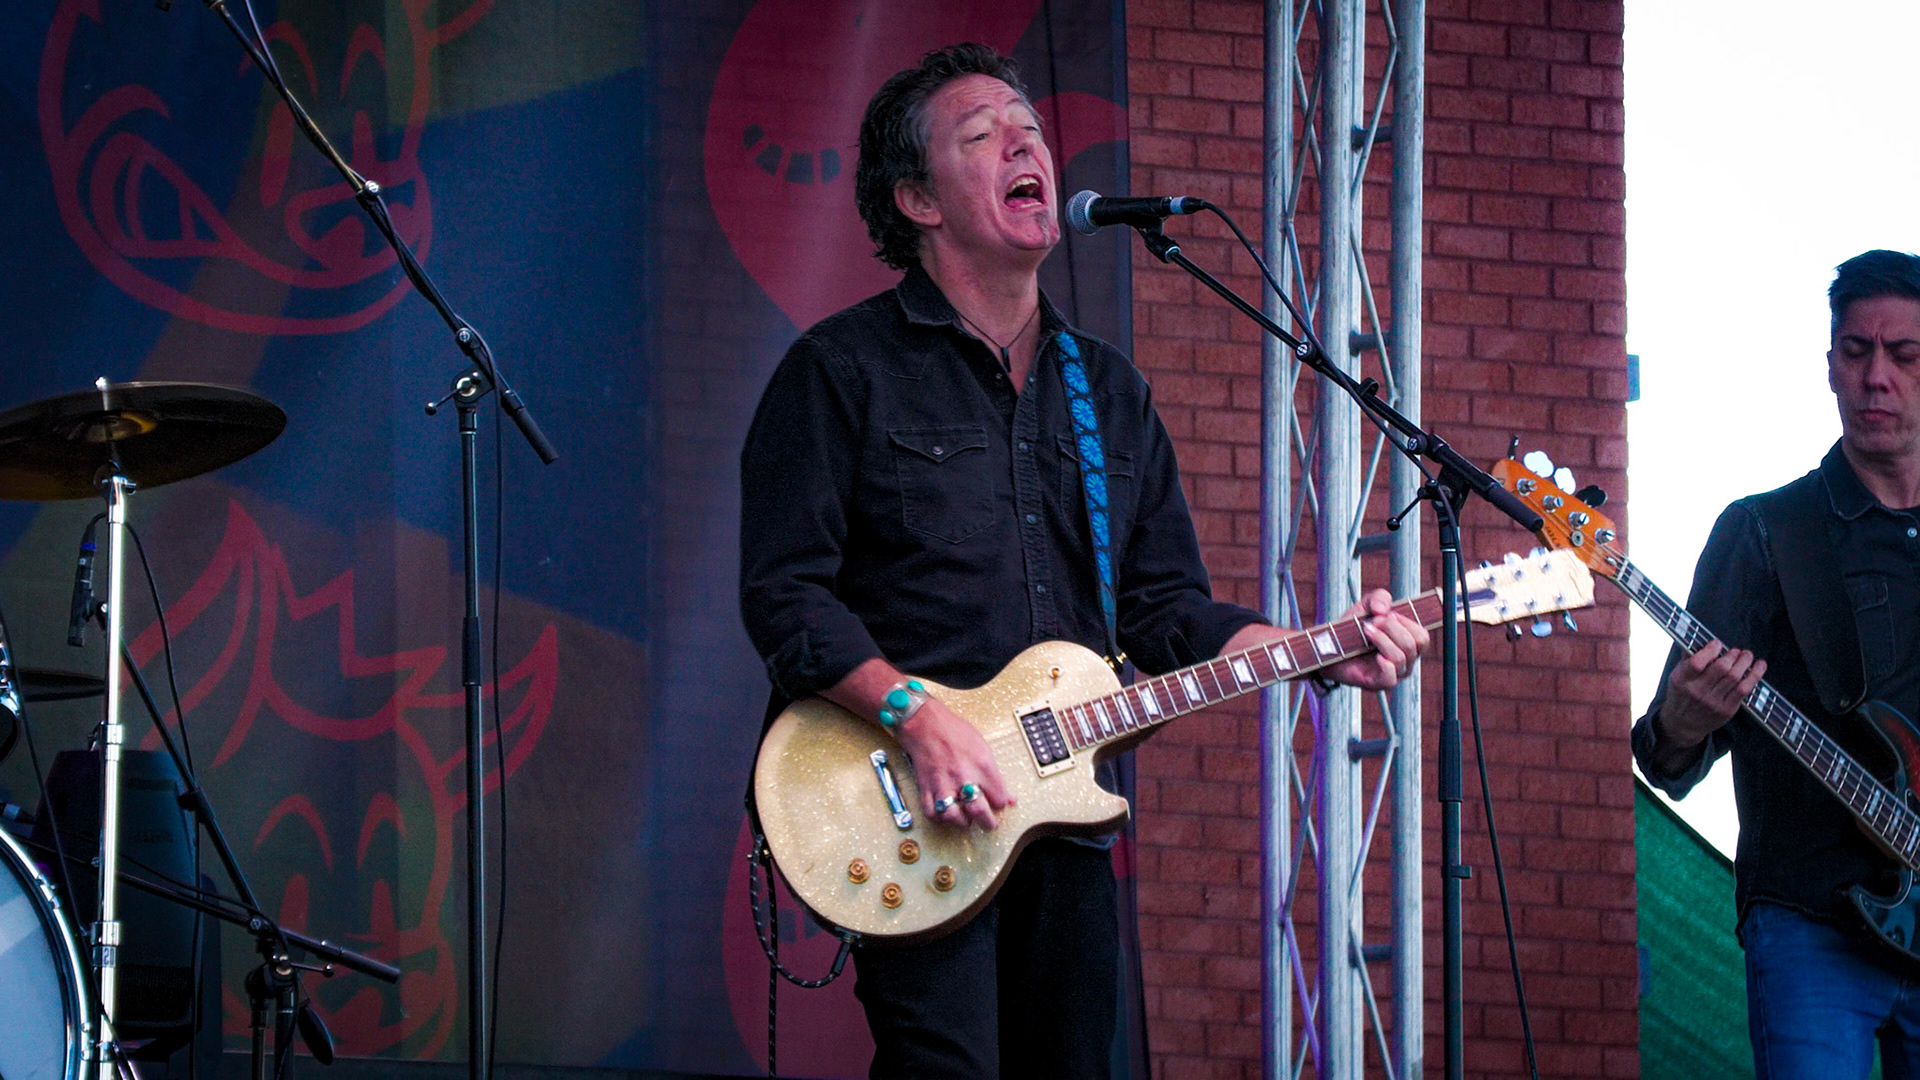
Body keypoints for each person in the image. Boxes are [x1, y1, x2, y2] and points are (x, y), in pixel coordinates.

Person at [738, 43, 1428, 1080]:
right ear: (918, 199)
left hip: (1062, 822)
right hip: (909, 794)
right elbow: (784, 593)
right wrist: (916, 718)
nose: (1026, 145)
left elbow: (1166, 608)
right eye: (983, 135)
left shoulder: (1108, 392)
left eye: (1031, 130)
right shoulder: (840, 371)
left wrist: (1315, 650)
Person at [1633, 249, 1920, 1078]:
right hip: (1810, 923)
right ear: (1829, 367)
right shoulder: (1767, 533)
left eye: (1904, 356)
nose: (1876, 377)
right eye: (1857, 352)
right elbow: (1667, 756)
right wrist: (1683, 720)